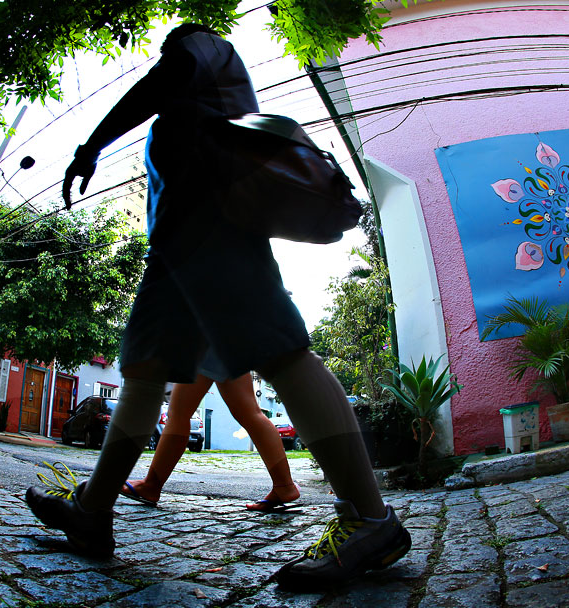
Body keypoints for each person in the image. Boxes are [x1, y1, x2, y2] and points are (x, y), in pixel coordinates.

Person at [25, 23, 411, 589]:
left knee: (279, 349)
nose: (162, 49)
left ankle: (369, 519)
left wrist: (93, 144)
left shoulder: (200, 45)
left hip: (210, 220)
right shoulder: (203, 77)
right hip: (174, 244)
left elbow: (170, 75)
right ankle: (92, 511)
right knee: (146, 371)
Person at [120, 371, 300, 511]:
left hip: (207, 337)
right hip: (228, 339)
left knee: (179, 413)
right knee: (250, 412)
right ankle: (284, 485)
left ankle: (151, 485)